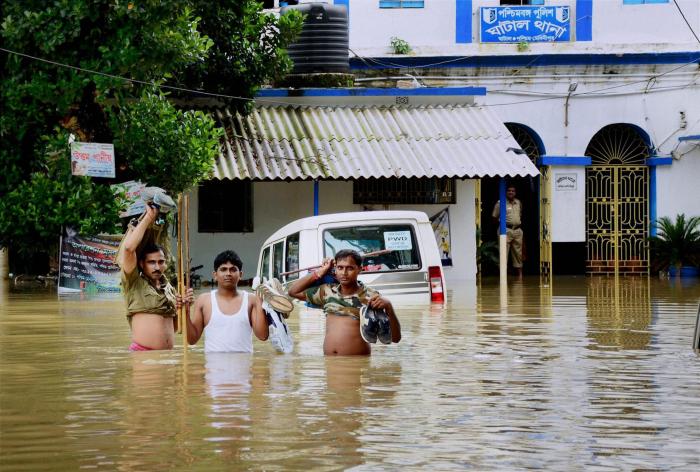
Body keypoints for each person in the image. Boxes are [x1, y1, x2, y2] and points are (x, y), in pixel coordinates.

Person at [287, 249, 401, 356]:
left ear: (359, 269)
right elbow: (293, 292)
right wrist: (320, 272)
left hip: (357, 366)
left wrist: (389, 308)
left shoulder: (371, 297)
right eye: (340, 268)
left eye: (350, 268)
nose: (344, 273)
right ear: (335, 269)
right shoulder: (327, 291)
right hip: (330, 366)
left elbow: (395, 338)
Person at [117, 204, 185, 351]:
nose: (157, 267)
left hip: (167, 357)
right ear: (142, 264)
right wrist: (149, 217)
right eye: (151, 262)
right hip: (143, 355)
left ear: (166, 264)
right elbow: (129, 249)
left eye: (161, 262)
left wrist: (183, 309)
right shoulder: (134, 282)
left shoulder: (170, 289)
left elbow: (175, 328)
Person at [186, 250, 268, 352]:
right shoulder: (203, 300)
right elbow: (192, 340)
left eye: (233, 269)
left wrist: (260, 301)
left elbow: (262, 336)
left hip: (243, 366)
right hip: (213, 367)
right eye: (223, 269)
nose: (228, 273)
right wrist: (185, 312)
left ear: (241, 274)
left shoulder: (252, 300)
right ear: (215, 275)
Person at [492, 184, 524, 278]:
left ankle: (520, 275)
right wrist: (502, 226)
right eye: (509, 191)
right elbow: (494, 217)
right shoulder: (500, 203)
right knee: (503, 253)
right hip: (505, 230)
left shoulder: (518, 202)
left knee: (518, 253)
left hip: (517, 230)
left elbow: (520, 215)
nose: (511, 192)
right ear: (505, 192)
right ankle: (502, 276)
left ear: (515, 193)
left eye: (513, 191)